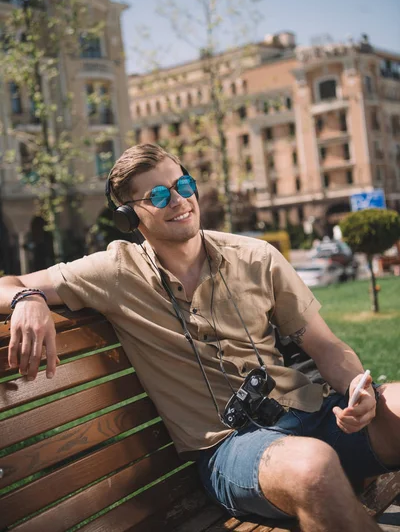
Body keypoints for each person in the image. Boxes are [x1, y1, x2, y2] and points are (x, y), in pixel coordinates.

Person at [0, 144, 399, 532]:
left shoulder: (257, 256)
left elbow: (325, 345)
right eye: (158, 195)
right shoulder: (114, 272)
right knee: (312, 468)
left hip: (313, 414)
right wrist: (26, 297)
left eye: (183, 186)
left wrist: (354, 388)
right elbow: (7, 283)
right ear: (129, 217)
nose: (179, 201)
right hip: (233, 449)